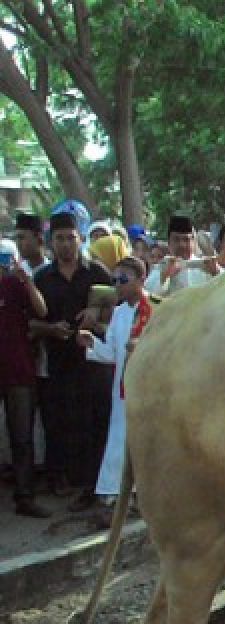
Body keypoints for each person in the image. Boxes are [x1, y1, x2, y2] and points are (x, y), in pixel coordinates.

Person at [30, 211, 113, 511]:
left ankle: (96, 486)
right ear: (51, 242)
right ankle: (64, 479)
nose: (66, 244)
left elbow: (117, 311)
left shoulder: (98, 273)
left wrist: (96, 317)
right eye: (60, 239)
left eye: (71, 238)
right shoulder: (42, 278)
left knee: (96, 423)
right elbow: (29, 323)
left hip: (93, 362)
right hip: (58, 363)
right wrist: (51, 329)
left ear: (80, 239)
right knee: (61, 422)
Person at [76, 256, 153, 527]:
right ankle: (115, 499)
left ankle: (143, 499)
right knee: (119, 441)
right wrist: (91, 343)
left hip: (148, 391)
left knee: (146, 445)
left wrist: (142, 349)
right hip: (122, 391)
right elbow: (111, 353)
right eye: (115, 280)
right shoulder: (120, 313)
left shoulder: (154, 310)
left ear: (141, 280)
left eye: (124, 280)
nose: (118, 285)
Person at [0, 247, 51, 517]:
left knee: (22, 436)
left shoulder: (14, 284)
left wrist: (28, 280)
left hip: (18, 368)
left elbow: (42, 311)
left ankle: (25, 496)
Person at [145, 215, 220, 295]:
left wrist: (216, 272)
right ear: (169, 243)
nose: (182, 245)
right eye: (176, 239)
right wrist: (164, 276)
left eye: (186, 239)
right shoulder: (161, 267)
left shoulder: (206, 265)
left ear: (193, 242)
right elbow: (148, 293)